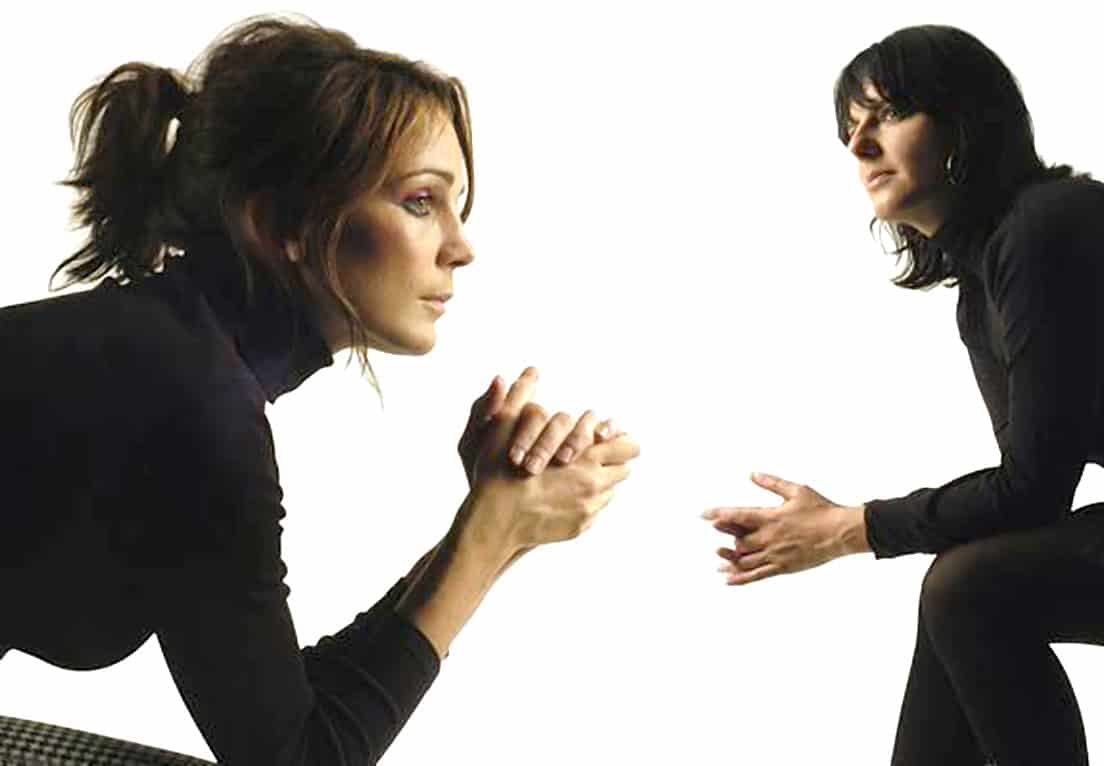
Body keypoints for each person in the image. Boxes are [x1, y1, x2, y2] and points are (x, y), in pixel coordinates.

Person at [0, 15, 639, 765]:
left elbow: (285, 714)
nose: (462, 247)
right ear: (284, 225)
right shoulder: (192, 409)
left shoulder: (166, 359)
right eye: (421, 201)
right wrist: (490, 534)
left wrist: (491, 526)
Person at [702, 24, 1104, 766]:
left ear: (963, 125)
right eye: (850, 129)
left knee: (970, 588)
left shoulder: (1049, 228)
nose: (858, 147)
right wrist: (857, 526)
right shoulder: (981, 295)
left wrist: (853, 527)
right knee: (968, 582)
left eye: (887, 115)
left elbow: (1033, 492)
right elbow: (1021, 501)